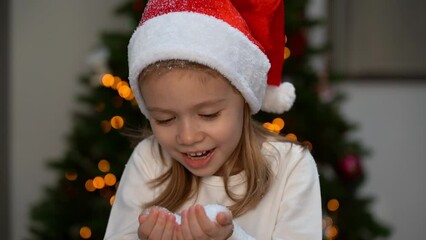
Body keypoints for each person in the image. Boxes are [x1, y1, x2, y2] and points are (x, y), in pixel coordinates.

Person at [104, 0, 322, 239]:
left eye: (209, 115)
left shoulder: (291, 167)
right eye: (165, 119)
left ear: (244, 99)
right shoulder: (149, 160)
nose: (188, 136)